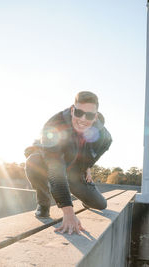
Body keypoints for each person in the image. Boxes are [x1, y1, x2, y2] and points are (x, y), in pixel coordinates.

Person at [25, 91, 112, 235]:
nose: (83, 119)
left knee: (101, 204)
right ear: (72, 110)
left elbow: (99, 150)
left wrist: (88, 167)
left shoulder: (103, 135)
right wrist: (69, 212)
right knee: (33, 162)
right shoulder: (54, 125)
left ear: (95, 116)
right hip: (50, 163)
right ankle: (43, 203)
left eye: (89, 115)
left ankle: (84, 196)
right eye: (79, 113)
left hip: (74, 169)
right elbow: (55, 169)